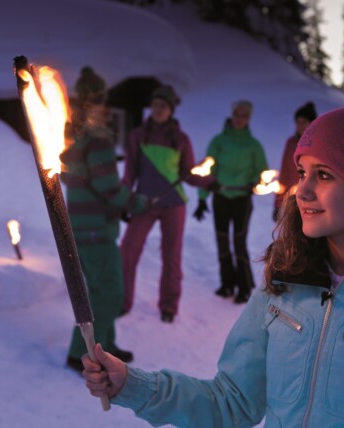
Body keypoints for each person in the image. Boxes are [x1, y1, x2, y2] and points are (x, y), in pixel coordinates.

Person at [81, 105, 344, 427]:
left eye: (324, 175)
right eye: (302, 172)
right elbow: (231, 402)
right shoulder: (282, 288)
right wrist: (133, 385)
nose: (300, 190)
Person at [59, 67, 151, 371]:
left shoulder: (73, 135)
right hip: (96, 230)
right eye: (100, 100)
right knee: (109, 293)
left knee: (100, 289)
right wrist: (137, 203)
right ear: (90, 103)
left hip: (81, 227)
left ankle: (106, 347)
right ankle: (81, 354)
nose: (105, 106)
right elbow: (108, 186)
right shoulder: (97, 139)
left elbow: (77, 179)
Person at [119, 84, 217, 323]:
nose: (158, 109)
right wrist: (125, 200)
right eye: (154, 105)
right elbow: (129, 173)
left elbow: (188, 173)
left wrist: (211, 182)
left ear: (171, 110)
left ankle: (169, 306)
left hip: (174, 205)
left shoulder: (181, 139)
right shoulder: (137, 136)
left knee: (171, 256)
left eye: (163, 105)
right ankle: (122, 301)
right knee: (127, 252)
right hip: (144, 202)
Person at [192, 100, 268, 304]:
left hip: (242, 198)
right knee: (222, 239)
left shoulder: (254, 145)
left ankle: (243, 286)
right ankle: (227, 284)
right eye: (237, 114)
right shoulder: (219, 141)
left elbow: (262, 170)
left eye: (244, 115)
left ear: (249, 118)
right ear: (232, 115)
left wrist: (255, 182)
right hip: (221, 197)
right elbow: (208, 169)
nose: (239, 119)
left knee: (239, 241)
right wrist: (202, 198)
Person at [273, 101, 317, 222]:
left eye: (304, 122)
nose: (300, 126)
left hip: (312, 198)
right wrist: (278, 204)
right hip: (293, 199)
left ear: (312, 122)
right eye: (298, 122)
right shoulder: (291, 143)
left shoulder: (319, 144)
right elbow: (285, 173)